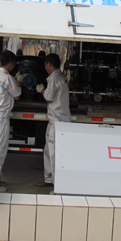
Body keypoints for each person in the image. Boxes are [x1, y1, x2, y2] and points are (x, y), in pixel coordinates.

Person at [0, 50, 22, 188]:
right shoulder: (7, 78)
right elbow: (17, 95)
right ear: (11, 64)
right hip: (0, 118)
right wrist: (19, 82)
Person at [35, 53, 71, 187]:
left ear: (49, 64)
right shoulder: (61, 76)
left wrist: (41, 90)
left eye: (46, 64)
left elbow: (48, 98)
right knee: (49, 150)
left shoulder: (53, 78)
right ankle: (49, 178)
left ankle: (57, 183)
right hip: (59, 119)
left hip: (57, 121)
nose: (45, 67)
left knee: (54, 152)